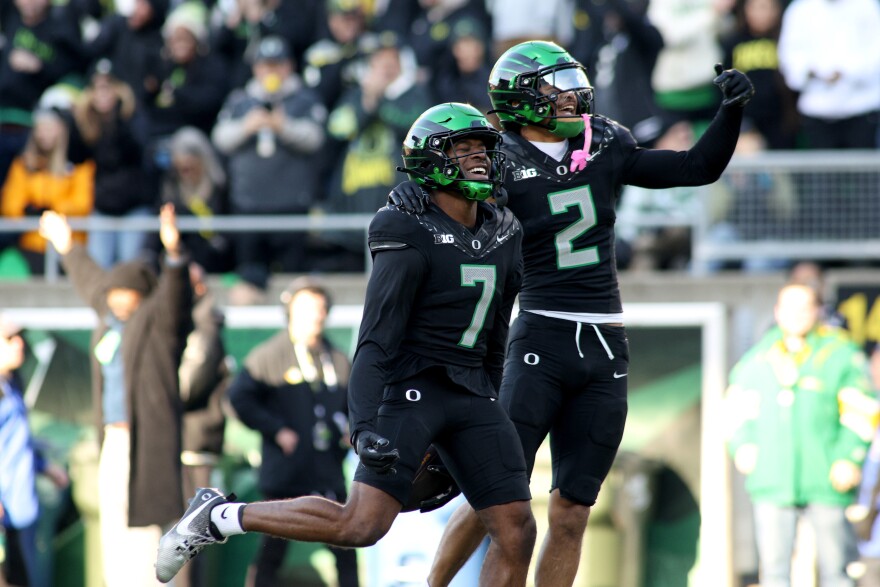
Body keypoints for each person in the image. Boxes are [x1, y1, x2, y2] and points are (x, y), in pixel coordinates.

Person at [389, 40, 754, 586]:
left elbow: (695, 168)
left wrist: (732, 112)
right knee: (492, 491)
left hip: (605, 342)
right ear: (522, 99)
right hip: (540, 335)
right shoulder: (495, 162)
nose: (573, 96)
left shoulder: (603, 141)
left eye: (572, 83)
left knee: (573, 511)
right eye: (556, 87)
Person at [154, 102, 537, 586]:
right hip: (413, 388)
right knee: (361, 524)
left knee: (517, 529)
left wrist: (489, 404)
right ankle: (220, 516)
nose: (478, 159)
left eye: (482, 148)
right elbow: (376, 340)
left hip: (473, 393)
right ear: (432, 160)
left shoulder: (505, 230)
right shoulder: (404, 226)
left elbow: (497, 335)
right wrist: (363, 426)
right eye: (462, 149)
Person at [38, 204, 193, 587]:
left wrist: (173, 255)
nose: (118, 299)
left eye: (127, 293)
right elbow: (90, 279)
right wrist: (64, 242)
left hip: (146, 441)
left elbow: (175, 301)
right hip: (112, 439)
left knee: (146, 529)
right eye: (115, 293)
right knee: (113, 524)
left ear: (143, 295)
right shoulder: (108, 318)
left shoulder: (158, 327)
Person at [725, 282, 877, 587]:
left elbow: (862, 411)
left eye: (804, 307)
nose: (795, 315)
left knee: (837, 570)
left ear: (818, 311)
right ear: (776, 312)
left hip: (826, 477)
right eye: (788, 307)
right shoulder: (759, 357)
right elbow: (734, 410)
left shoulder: (841, 354)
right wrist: (742, 446)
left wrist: (848, 457)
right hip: (773, 478)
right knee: (774, 572)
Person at [226, 278, 359, 587]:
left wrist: (351, 432)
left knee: (346, 546)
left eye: (321, 308)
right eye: (307, 308)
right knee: (273, 548)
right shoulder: (269, 355)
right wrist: (277, 430)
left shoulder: (337, 358)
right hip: (286, 472)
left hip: (326, 473)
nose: (316, 315)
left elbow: (356, 405)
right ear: (290, 312)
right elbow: (239, 397)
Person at [211, 35, 326, 302]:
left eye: (278, 64)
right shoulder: (240, 100)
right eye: (266, 65)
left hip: (291, 206)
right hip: (249, 205)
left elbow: (315, 138)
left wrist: (282, 127)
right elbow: (220, 138)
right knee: (249, 278)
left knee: (294, 280)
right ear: (256, 68)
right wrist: (246, 127)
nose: (272, 71)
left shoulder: (304, 99)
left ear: (289, 66)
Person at [0, 315, 69, 587]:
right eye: (9, 339)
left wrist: (45, 466)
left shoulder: (12, 383)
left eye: (19, 338)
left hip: (21, 509)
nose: (19, 344)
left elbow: (17, 439)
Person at [0, 107, 94, 275]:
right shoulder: (23, 165)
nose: (45, 134)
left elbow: (82, 203)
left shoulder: (77, 165)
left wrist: (52, 209)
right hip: (31, 244)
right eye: (41, 128)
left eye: (51, 128)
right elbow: (11, 203)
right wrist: (27, 210)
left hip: (67, 245)